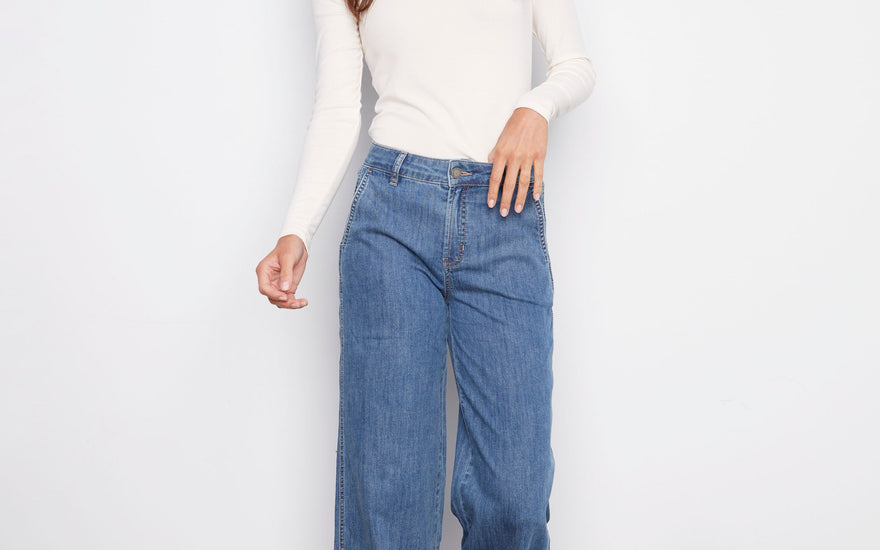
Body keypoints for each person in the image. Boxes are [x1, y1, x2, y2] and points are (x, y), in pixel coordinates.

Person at [256, 0, 596, 547]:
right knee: (390, 488)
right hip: (391, 216)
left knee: (516, 494)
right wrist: (296, 229)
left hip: (503, 211)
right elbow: (339, 108)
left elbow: (574, 65)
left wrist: (537, 107)